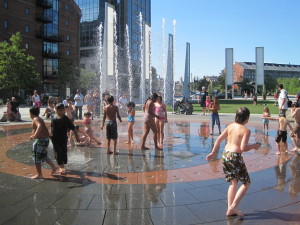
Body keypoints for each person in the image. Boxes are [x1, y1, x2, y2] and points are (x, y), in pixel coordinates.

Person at [206, 107, 261, 217]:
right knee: (246, 183)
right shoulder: (246, 130)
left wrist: (212, 153)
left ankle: (229, 209)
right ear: (247, 118)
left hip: (225, 155)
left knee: (233, 182)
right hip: (235, 157)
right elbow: (243, 148)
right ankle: (233, 206)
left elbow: (218, 139)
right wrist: (254, 146)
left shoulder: (230, 126)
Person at [50, 103, 80, 174]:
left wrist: (77, 137)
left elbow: (74, 129)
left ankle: (62, 165)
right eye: (57, 110)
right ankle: (61, 166)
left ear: (64, 110)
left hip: (63, 138)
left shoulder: (66, 119)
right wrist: (50, 134)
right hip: (55, 138)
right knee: (58, 152)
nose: (58, 112)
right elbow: (51, 126)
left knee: (63, 151)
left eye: (60, 110)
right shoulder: (54, 117)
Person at [29, 106, 58, 179]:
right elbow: (40, 128)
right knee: (43, 156)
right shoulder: (39, 118)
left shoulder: (35, 119)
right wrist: (33, 134)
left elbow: (40, 126)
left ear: (31, 113)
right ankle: (54, 167)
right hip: (45, 140)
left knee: (36, 157)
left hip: (40, 140)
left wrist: (34, 136)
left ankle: (39, 174)